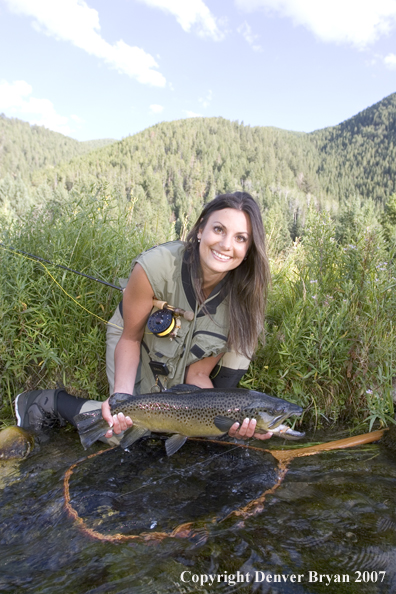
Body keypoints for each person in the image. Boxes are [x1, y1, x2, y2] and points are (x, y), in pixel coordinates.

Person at [15, 192, 273, 443]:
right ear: (200, 231)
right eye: (219, 229)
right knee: (127, 429)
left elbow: (198, 375)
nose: (226, 245)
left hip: (185, 356)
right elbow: (129, 338)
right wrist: (122, 398)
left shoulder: (241, 302)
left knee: (185, 427)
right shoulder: (156, 266)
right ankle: (48, 403)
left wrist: (227, 423)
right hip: (136, 339)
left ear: (249, 249)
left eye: (240, 238)